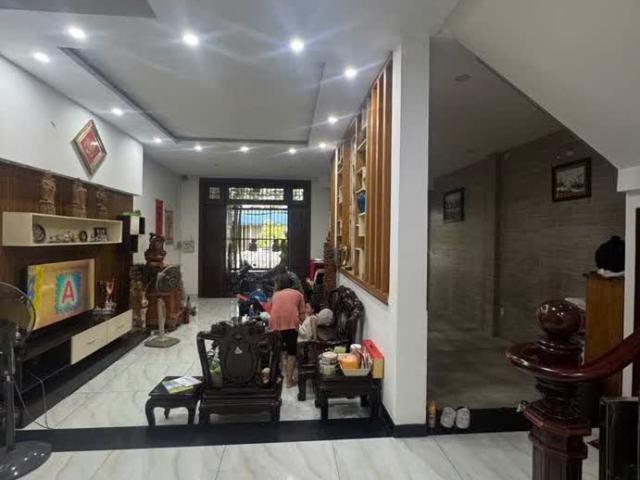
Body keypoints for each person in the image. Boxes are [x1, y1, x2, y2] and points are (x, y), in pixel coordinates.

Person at [269, 273, 305, 387]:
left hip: (275, 325)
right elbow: (302, 315)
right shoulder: (298, 294)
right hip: (291, 324)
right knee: (291, 352)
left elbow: (272, 309)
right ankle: (289, 381)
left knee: (276, 351)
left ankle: (276, 378)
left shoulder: (275, 295)